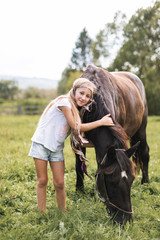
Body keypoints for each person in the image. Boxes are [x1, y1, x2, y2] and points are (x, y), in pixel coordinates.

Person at [29, 78, 114, 213]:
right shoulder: (64, 102)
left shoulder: (76, 109)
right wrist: (101, 122)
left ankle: (62, 212)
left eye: (87, 96)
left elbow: (79, 134)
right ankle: (41, 213)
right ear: (74, 91)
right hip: (41, 145)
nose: (83, 98)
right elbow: (76, 127)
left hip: (56, 149)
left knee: (60, 183)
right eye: (81, 93)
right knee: (42, 180)